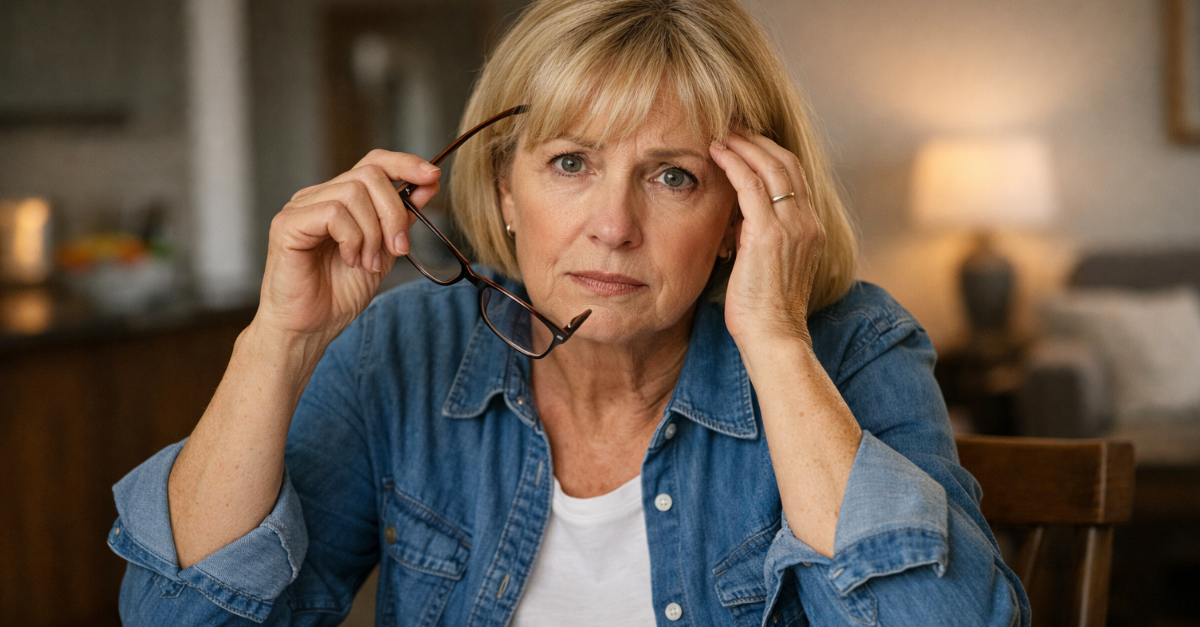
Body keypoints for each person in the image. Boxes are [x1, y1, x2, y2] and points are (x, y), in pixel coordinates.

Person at [109, 0, 1029, 624]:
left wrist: (778, 342)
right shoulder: (400, 351)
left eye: (674, 177)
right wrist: (280, 336)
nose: (614, 227)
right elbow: (175, 616)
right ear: (505, 188)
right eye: (570, 164)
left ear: (737, 215)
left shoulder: (855, 346)